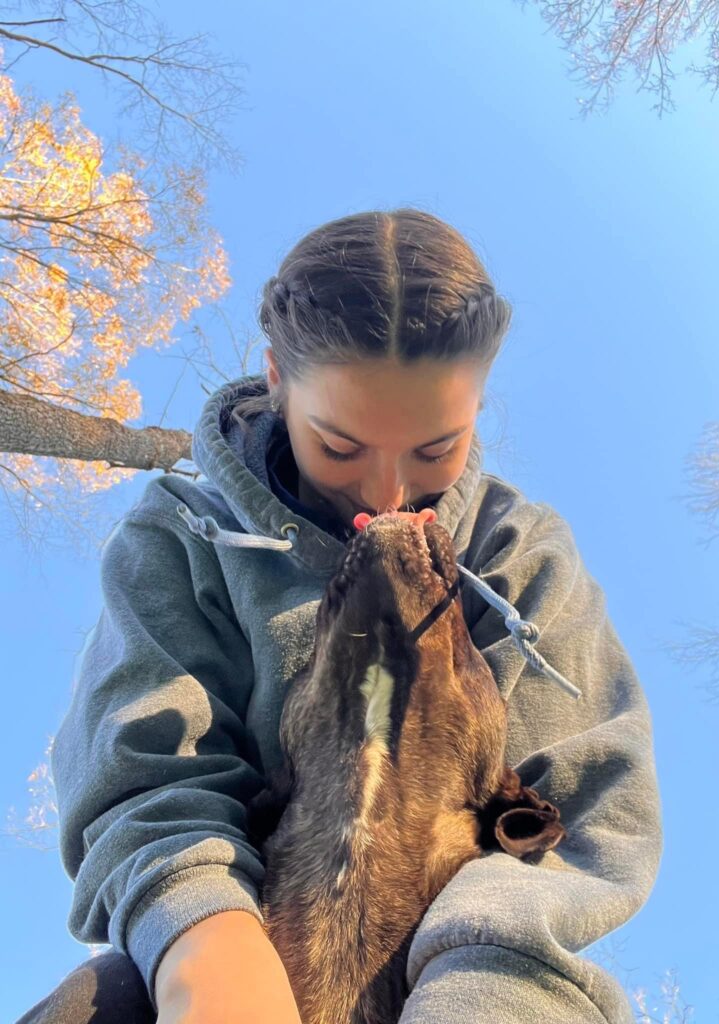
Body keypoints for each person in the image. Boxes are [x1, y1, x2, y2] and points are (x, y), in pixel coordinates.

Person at [16, 208, 663, 1024]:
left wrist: (488, 991)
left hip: (484, 978)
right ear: (278, 377)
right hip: (225, 951)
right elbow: (146, 782)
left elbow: (584, 802)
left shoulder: (519, 552)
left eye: (435, 451)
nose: (387, 495)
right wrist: (216, 970)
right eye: (340, 445)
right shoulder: (178, 537)